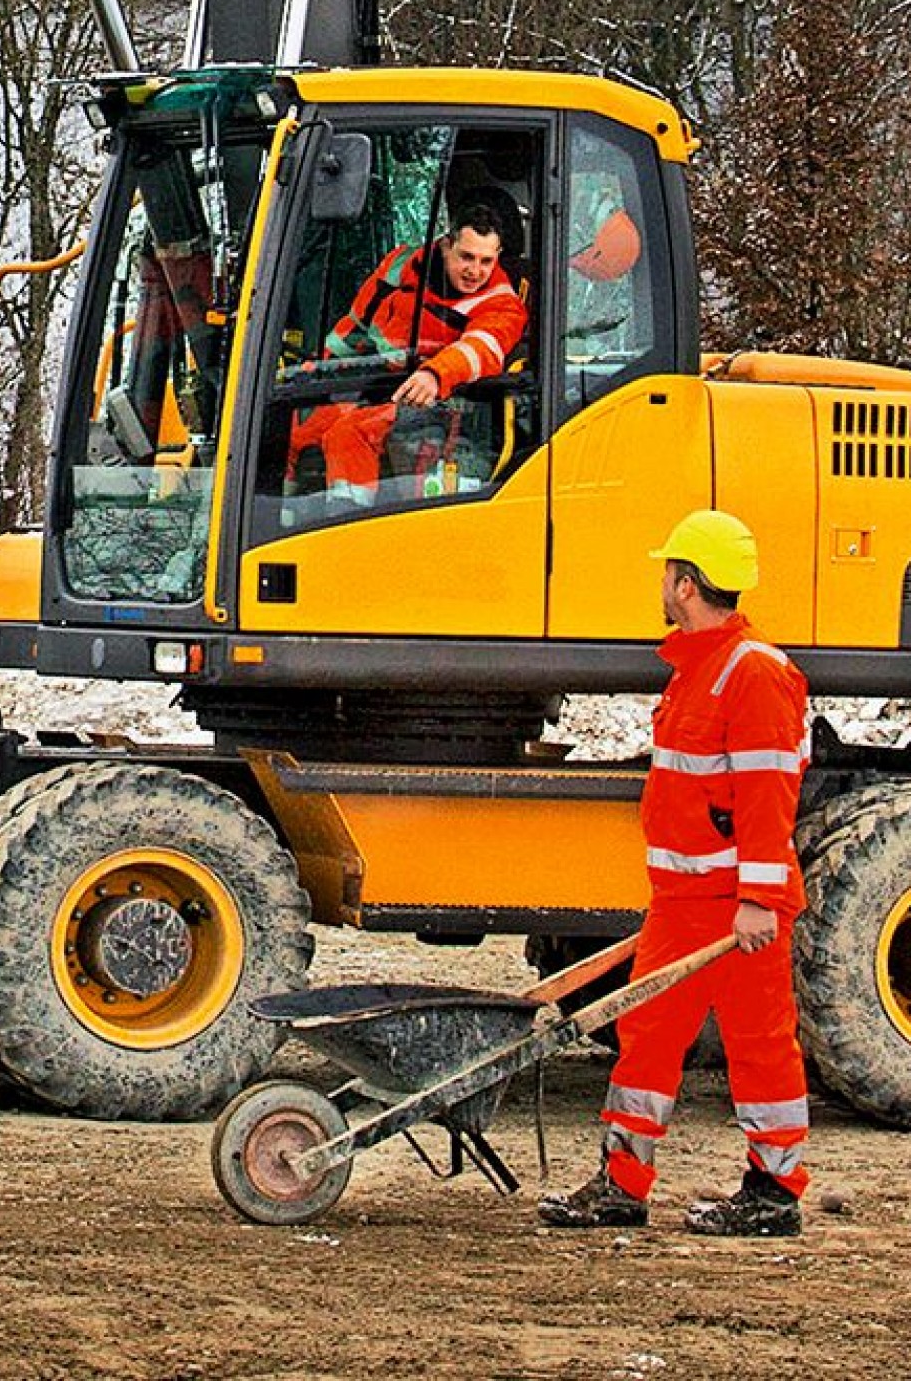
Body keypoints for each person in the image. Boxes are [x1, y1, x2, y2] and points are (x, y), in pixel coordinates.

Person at [538, 509, 812, 1238]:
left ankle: (774, 1194)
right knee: (647, 1038)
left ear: (686, 584)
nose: (661, 583)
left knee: (760, 1046)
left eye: (668, 572)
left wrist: (756, 899)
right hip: (685, 903)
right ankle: (622, 1185)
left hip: (738, 908)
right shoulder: (701, 669)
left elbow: (766, 795)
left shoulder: (751, 675)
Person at [286, 201, 528, 504]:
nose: (475, 271)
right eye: (467, 257)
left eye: (486, 261)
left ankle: (343, 518)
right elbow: (355, 326)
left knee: (349, 435)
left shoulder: (501, 303)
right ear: (445, 245)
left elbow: (482, 348)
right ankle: (281, 516)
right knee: (291, 428)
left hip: (435, 401)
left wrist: (435, 374)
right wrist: (320, 370)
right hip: (377, 383)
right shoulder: (401, 266)